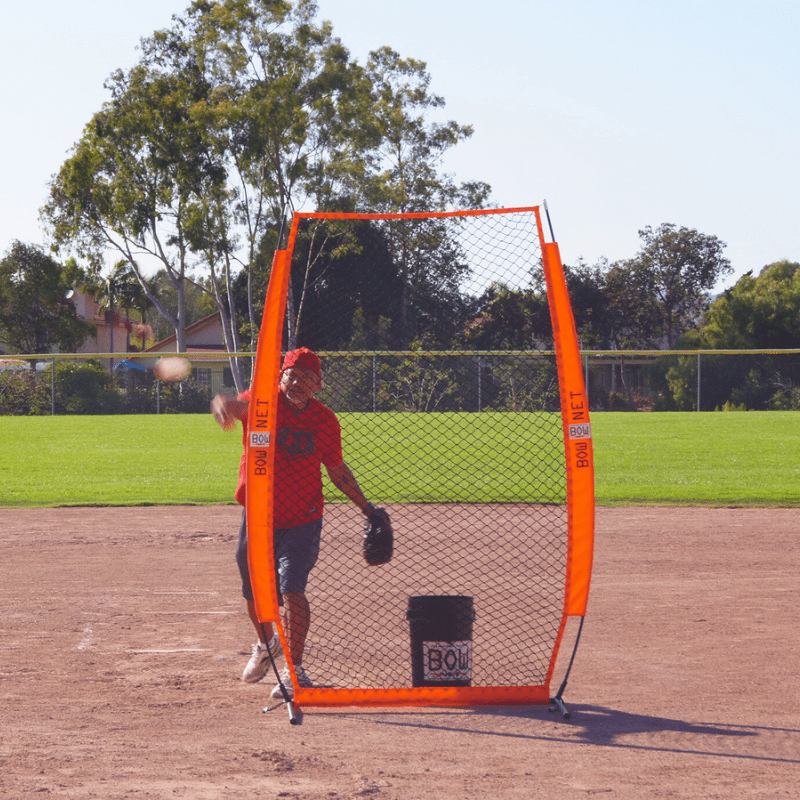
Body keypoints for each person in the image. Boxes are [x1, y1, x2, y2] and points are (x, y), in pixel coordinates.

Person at [210, 347, 375, 699]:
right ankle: (266, 644)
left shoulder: (325, 420)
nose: (297, 382)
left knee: (291, 589)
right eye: (291, 374)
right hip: (258, 515)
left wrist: (367, 509)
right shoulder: (264, 403)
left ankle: (294, 671)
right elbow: (235, 405)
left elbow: (337, 470)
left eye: (307, 377)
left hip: (303, 516)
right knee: (253, 588)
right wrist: (221, 405)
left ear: (318, 384)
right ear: (281, 376)